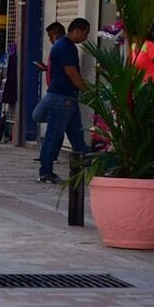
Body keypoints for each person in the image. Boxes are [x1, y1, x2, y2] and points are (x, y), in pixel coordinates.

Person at [38, 18, 91, 184]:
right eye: (85, 34)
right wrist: (87, 91)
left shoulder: (63, 45)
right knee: (54, 135)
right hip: (63, 98)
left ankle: (87, 167)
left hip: (68, 97)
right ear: (78, 31)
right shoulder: (66, 47)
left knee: (76, 135)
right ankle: (46, 172)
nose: (85, 38)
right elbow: (72, 73)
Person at [32, 22, 65, 122]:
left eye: (51, 37)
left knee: (38, 115)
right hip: (54, 90)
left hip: (57, 91)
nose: (50, 40)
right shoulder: (56, 48)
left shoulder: (62, 48)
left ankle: (60, 119)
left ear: (56, 35)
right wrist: (46, 68)